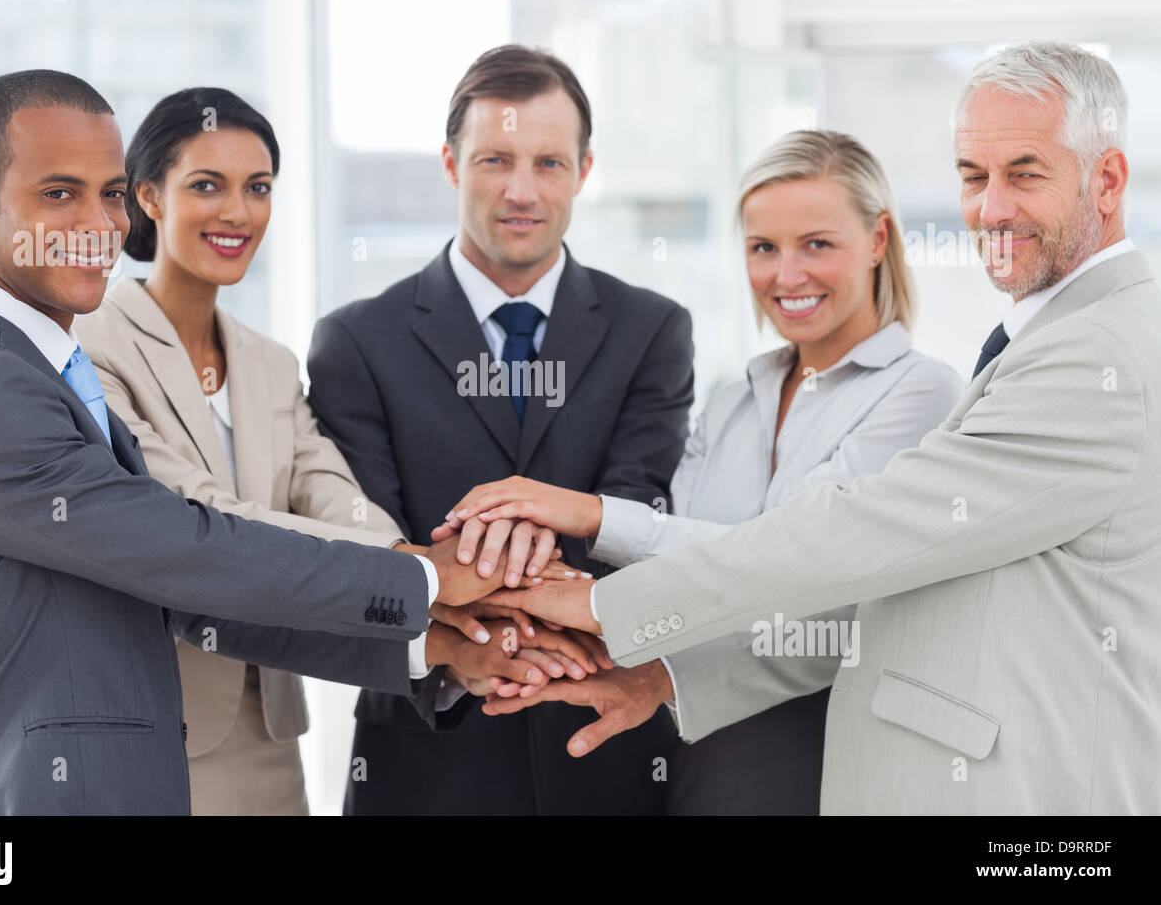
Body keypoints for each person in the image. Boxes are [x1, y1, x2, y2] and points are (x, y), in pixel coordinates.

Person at [476, 41, 1161, 814]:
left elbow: (858, 537)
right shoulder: (1056, 338)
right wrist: (663, 675)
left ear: (1106, 182)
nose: (992, 209)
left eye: (1025, 173)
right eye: (974, 177)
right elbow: (877, 598)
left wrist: (609, 604)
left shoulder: (1095, 353)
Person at [0, 70, 536, 815]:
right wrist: (426, 581)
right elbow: (190, 551)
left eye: (109, 194)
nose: (99, 224)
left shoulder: (45, 366)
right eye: (58, 194)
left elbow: (185, 598)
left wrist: (434, 643)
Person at [73, 87, 599, 815]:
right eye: (207, 186)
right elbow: (195, 515)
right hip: (154, 733)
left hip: (269, 737)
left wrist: (444, 594)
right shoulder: (92, 344)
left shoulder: (269, 364)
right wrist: (421, 576)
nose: (237, 212)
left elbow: (334, 496)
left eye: (257, 188)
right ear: (149, 199)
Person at [435, 129, 962, 813]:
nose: (787, 275)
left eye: (818, 244)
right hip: (706, 748)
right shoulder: (734, 400)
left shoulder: (923, 393)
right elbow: (673, 570)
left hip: (834, 745)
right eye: (763, 248)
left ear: (878, 240)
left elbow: (802, 564)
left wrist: (590, 514)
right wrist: (522, 603)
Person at [307, 44, 695, 815]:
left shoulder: (652, 329)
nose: (522, 191)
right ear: (451, 165)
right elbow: (371, 545)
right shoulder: (356, 341)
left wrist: (510, 568)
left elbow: (636, 510)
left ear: (585, 171)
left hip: (605, 746)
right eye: (495, 160)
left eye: (549, 163)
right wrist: (470, 638)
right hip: (426, 758)